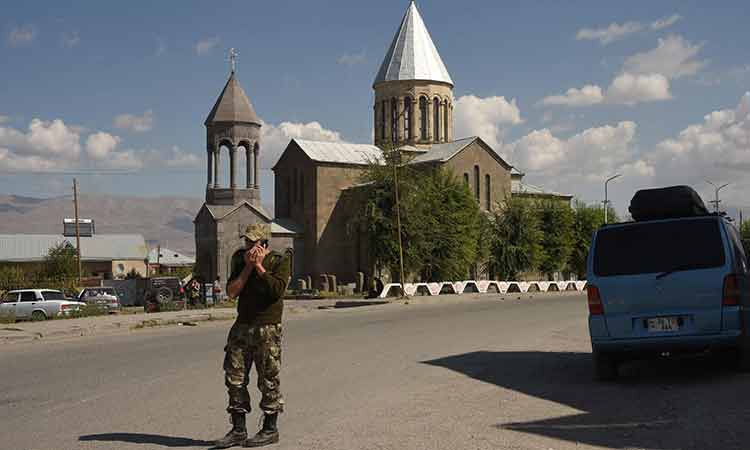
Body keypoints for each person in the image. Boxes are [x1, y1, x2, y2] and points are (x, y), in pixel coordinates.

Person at [214, 223, 291, 449]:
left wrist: (259, 266)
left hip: (267, 328)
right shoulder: (240, 260)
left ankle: (270, 429)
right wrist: (248, 268)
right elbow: (231, 292)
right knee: (234, 377)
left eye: (253, 242)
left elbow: (277, 291)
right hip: (242, 327)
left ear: (264, 243)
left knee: (268, 378)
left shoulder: (279, 261)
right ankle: (238, 430)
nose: (248, 246)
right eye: (247, 241)